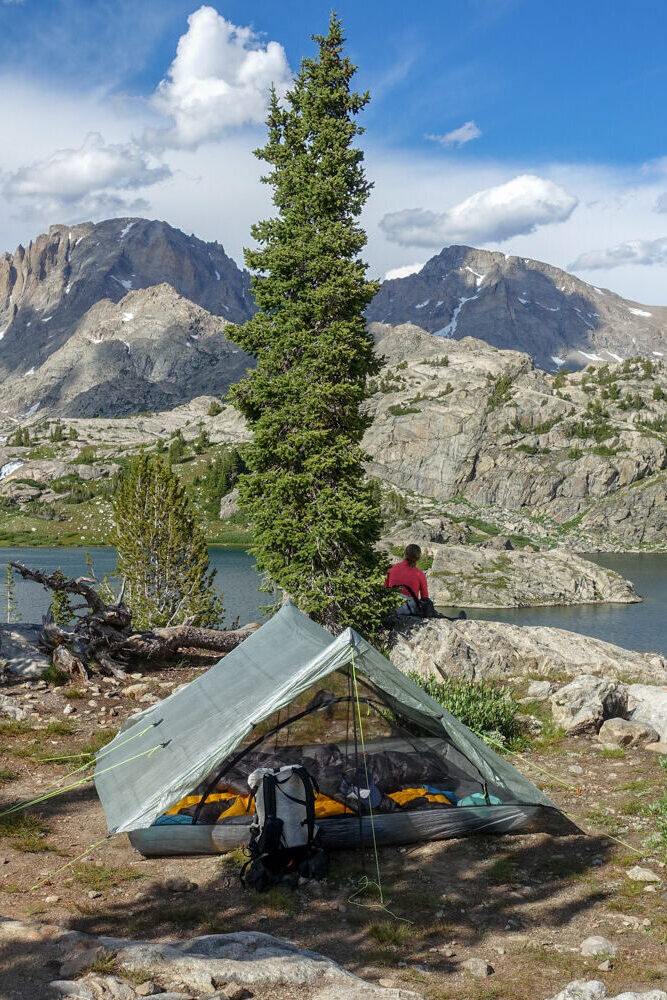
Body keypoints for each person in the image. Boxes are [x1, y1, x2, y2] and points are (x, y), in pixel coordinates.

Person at [385, 544, 429, 615]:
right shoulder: (419, 574)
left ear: (405, 554)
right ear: (418, 558)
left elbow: (385, 588)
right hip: (409, 609)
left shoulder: (391, 568)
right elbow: (425, 598)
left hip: (391, 605)